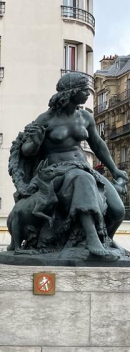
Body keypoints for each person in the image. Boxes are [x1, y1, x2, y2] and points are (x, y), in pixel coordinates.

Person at [8, 72, 128, 259]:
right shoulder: (46, 119)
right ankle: (91, 239)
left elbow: (97, 144)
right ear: (70, 92)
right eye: (84, 90)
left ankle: (106, 240)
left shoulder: (85, 117)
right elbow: (26, 151)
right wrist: (36, 142)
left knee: (118, 210)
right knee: (83, 179)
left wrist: (114, 169)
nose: (88, 93)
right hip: (56, 171)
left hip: (83, 167)